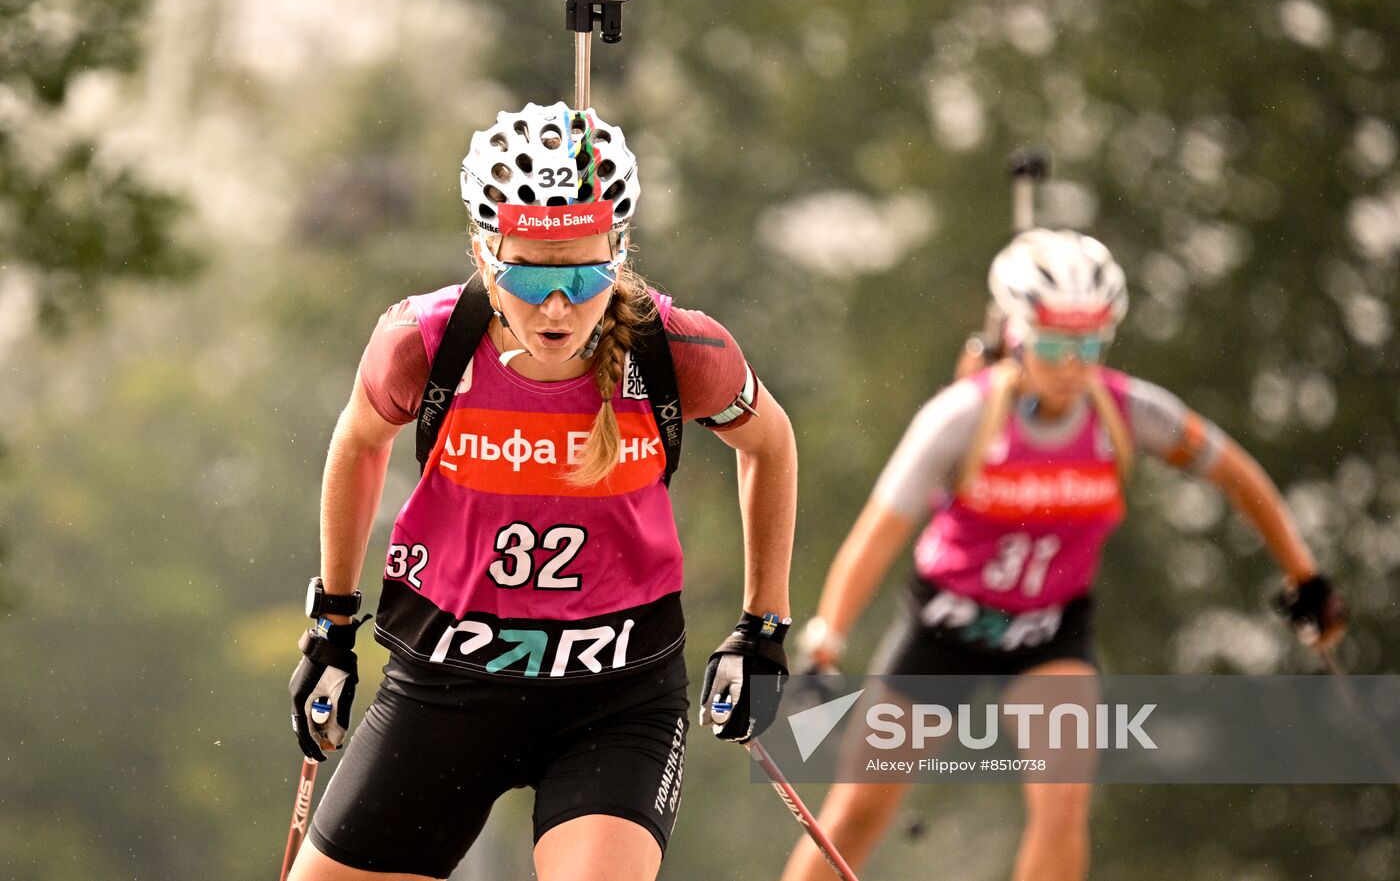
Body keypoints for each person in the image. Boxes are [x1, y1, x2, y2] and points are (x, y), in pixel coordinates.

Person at [286, 100, 798, 881]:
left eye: (585, 272)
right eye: (527, 271)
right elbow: (359, 441)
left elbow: (770, 442)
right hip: (444, 688)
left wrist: (763, 626)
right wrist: (332, 623)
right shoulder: (423, 344)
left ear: (619, 251)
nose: (556, 304)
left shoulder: (678, 349)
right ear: (485, 251)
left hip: (613, 703)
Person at [780, 229, 1348, 881]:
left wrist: (1304, 574)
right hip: (945, 628)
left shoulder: (1129, 411)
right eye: (1054, 342)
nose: (1072, 362)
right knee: (853, 812)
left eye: (1090, 343)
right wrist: (824, 648)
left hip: (1050, 631)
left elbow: (1237, 475)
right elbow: (875, 537)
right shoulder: (961, 417)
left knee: (1063, 802)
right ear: (1017, 333)